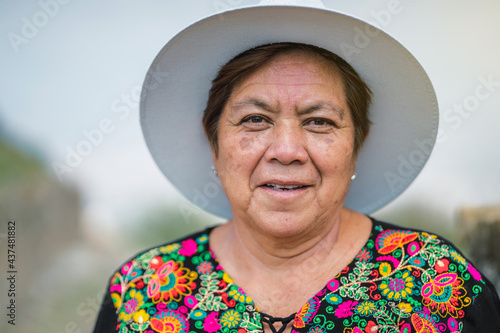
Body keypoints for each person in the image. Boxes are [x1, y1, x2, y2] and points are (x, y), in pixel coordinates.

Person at [93, 3, 500, 333]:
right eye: (255, 119)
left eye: (319, 122)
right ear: (214, 141)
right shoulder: (141, 292)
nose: (286, 151)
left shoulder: (438, 282)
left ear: (357, 144)